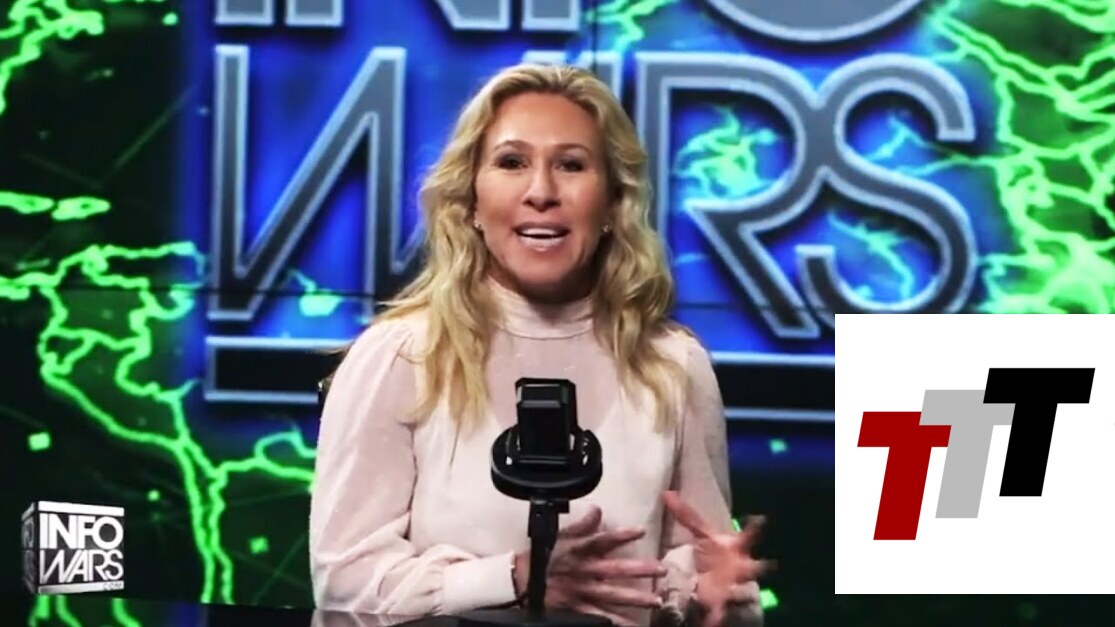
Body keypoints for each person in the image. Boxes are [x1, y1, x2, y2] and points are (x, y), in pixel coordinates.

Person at [309, 63, 772, 627]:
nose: (542, 193)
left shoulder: (672, 366)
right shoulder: (400, 356)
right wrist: (515, 579)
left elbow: (704, 581)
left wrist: (715, 598)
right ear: (471, 199)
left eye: (571, 165)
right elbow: (345, 584)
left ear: (613, 203)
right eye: (512, 163)